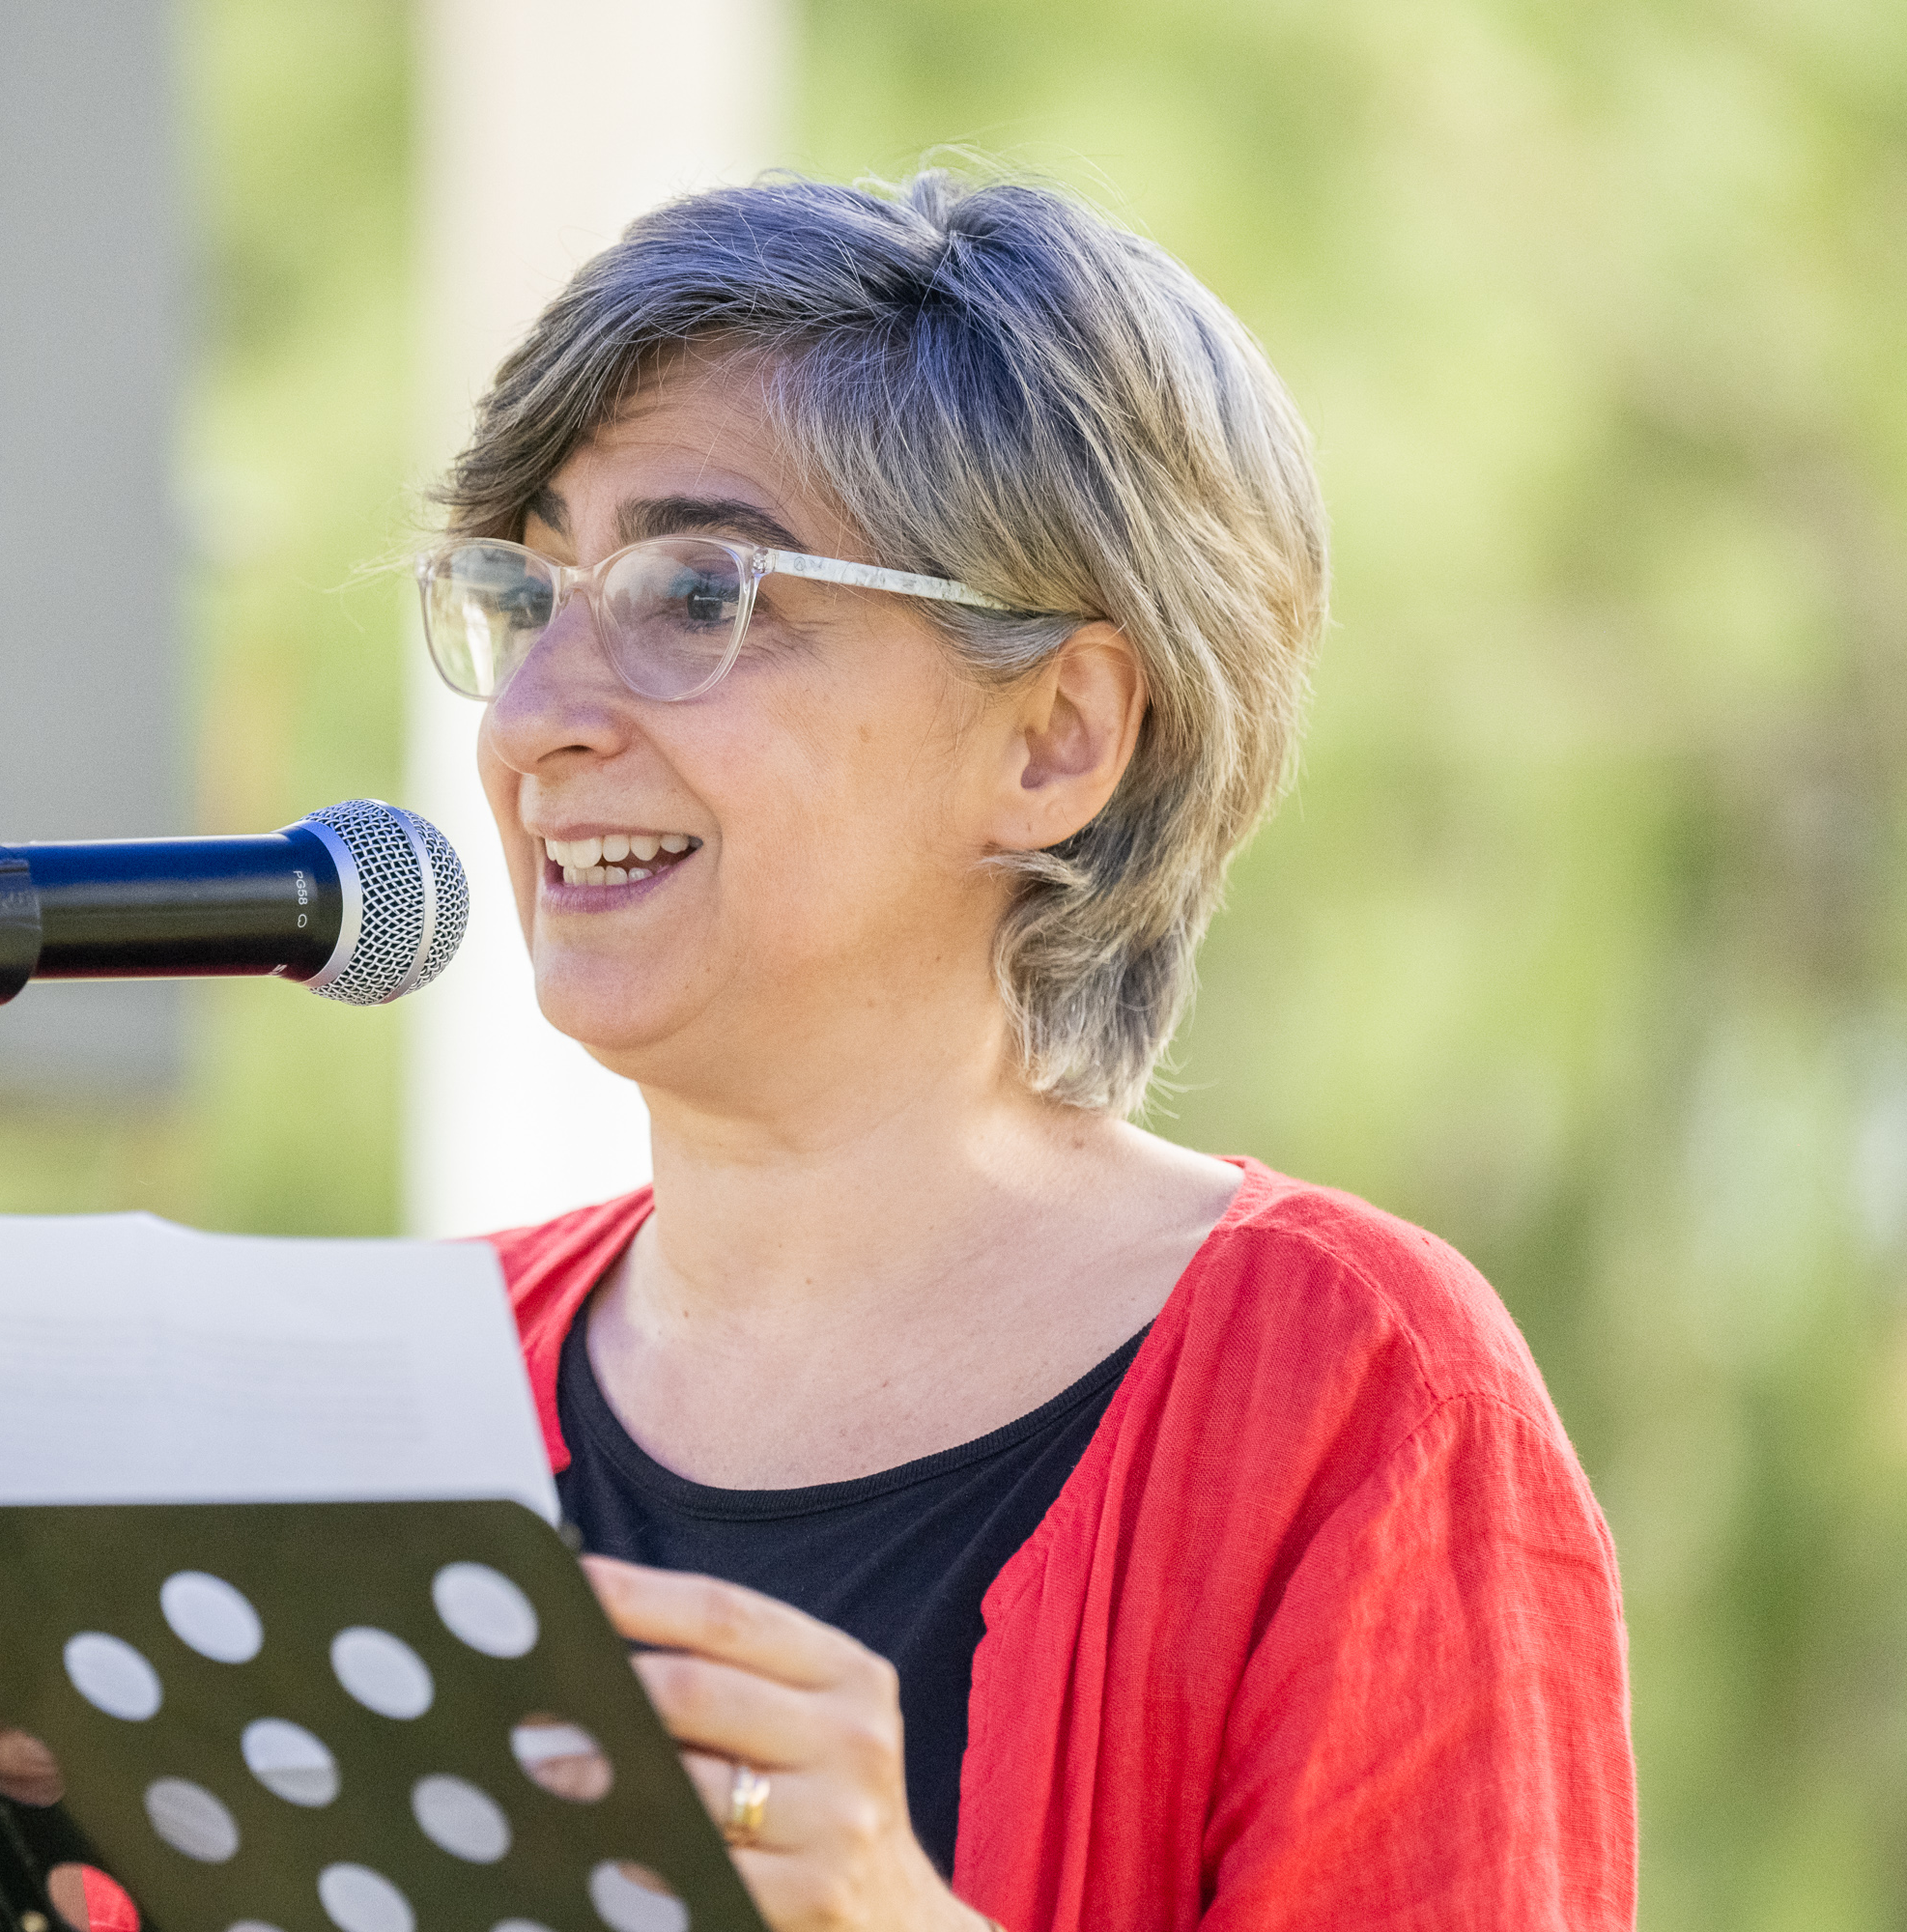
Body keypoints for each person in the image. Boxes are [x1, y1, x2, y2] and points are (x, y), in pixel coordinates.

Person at [420, 168, 1636, 1931]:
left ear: (1057, 738)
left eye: (695, 597)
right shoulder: (404, 1387)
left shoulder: (1359, 1397)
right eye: (526, 601)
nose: (536, 719)